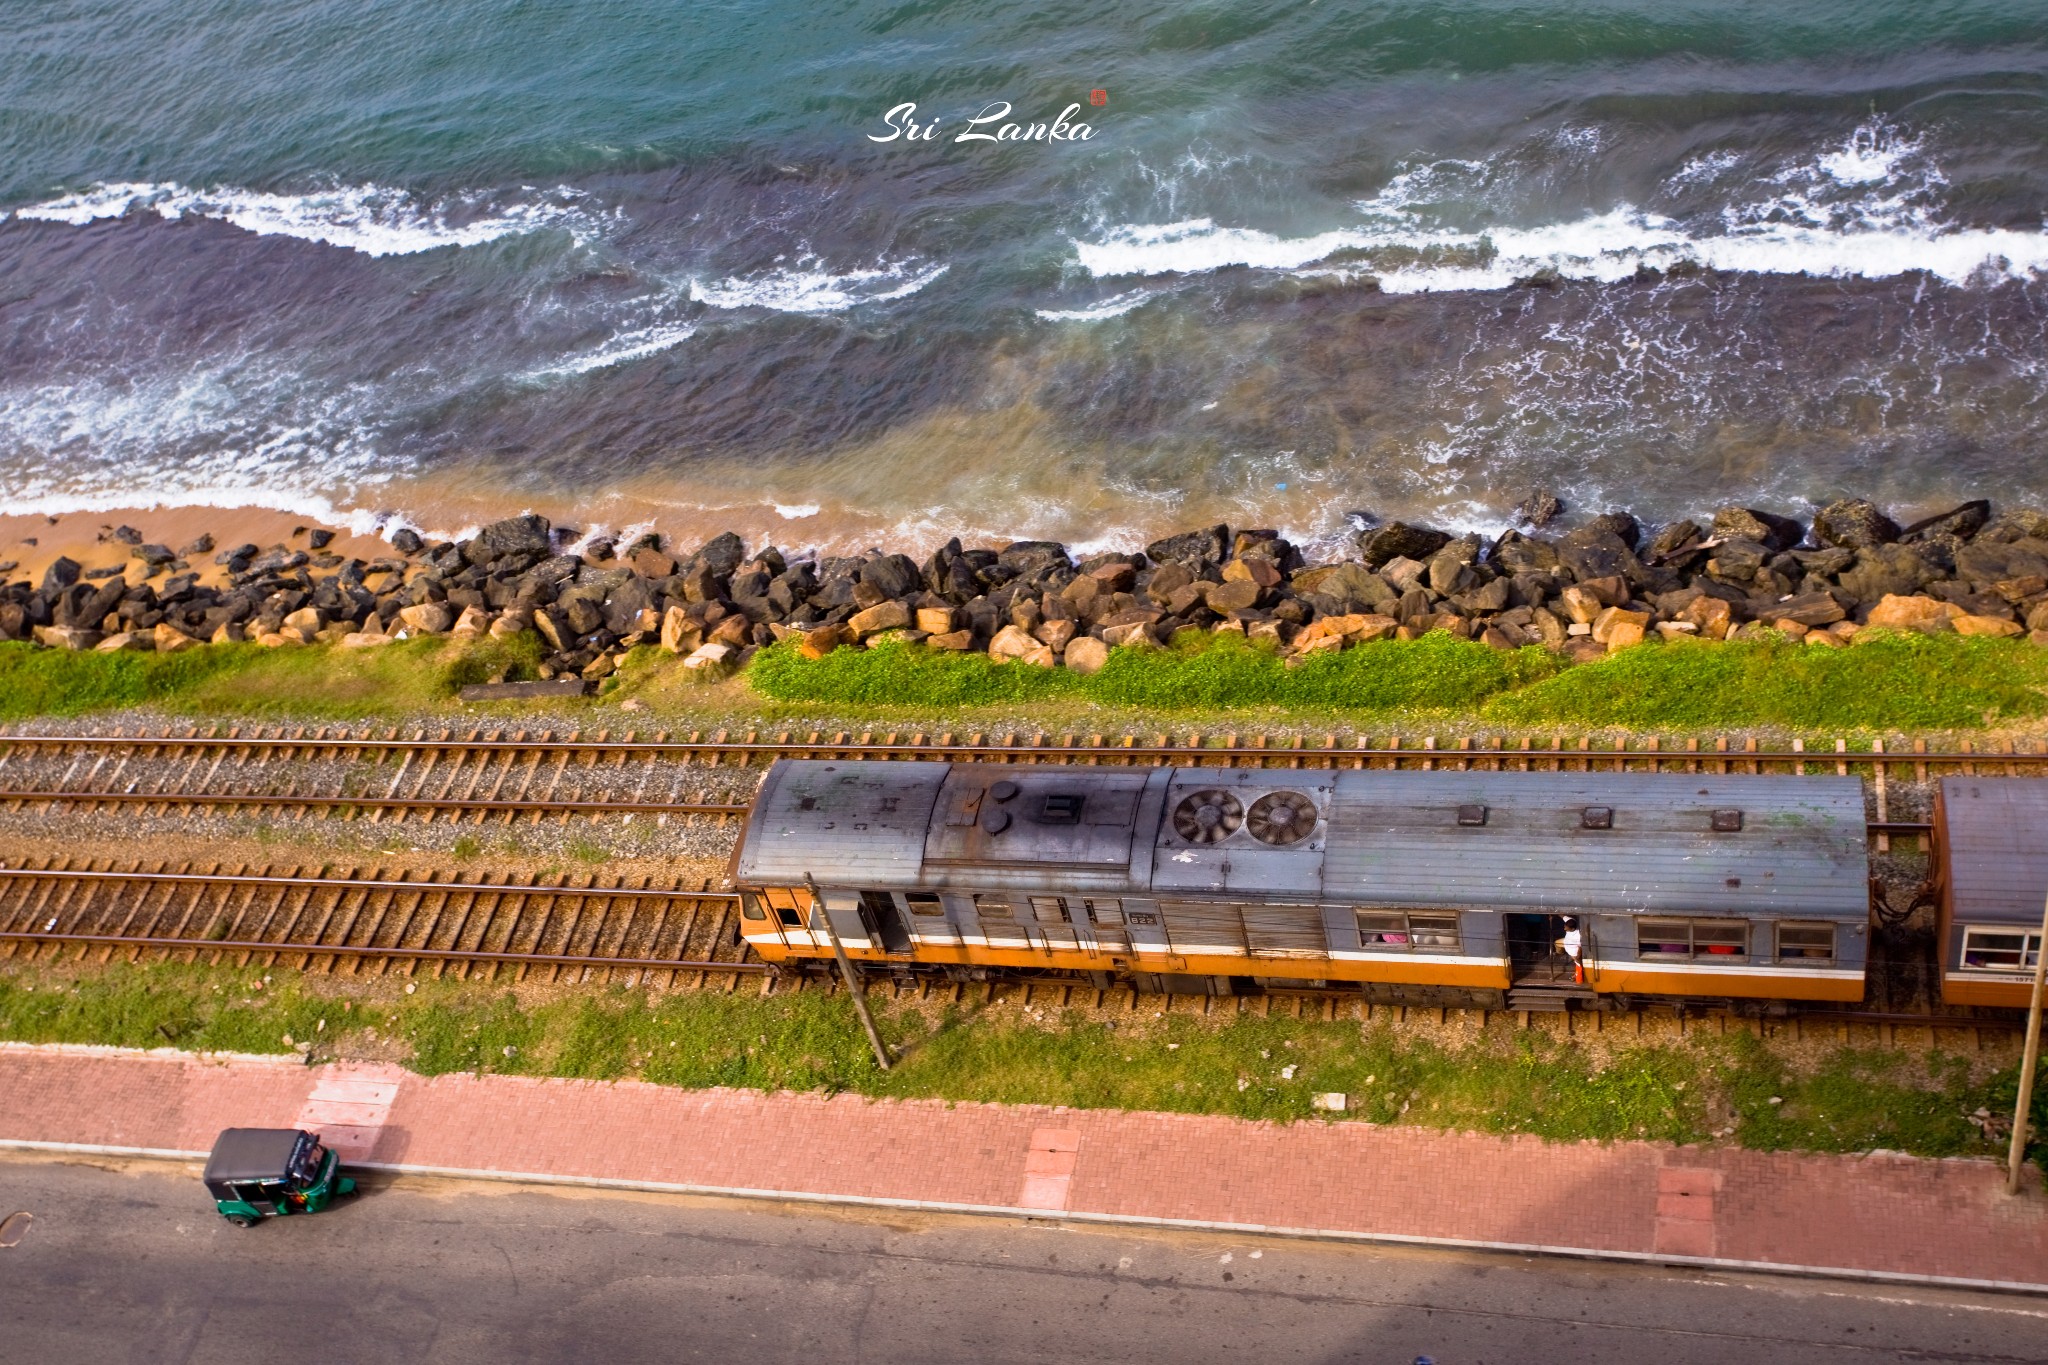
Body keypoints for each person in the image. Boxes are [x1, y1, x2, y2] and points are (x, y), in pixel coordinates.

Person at [1558, 917, 1583, 983]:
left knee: (1578, 964)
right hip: (1565, 943)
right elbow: (1563, 916)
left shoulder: (1578, 936)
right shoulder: (1571, 921)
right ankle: (1561, 953)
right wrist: (1553, 913)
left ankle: (1577, 977)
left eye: (1566, 928)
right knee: (1556, 943)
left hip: (1573, 951)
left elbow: (1580, 948)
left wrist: (1577, 957)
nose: (1564, 928)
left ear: (1573, 929)